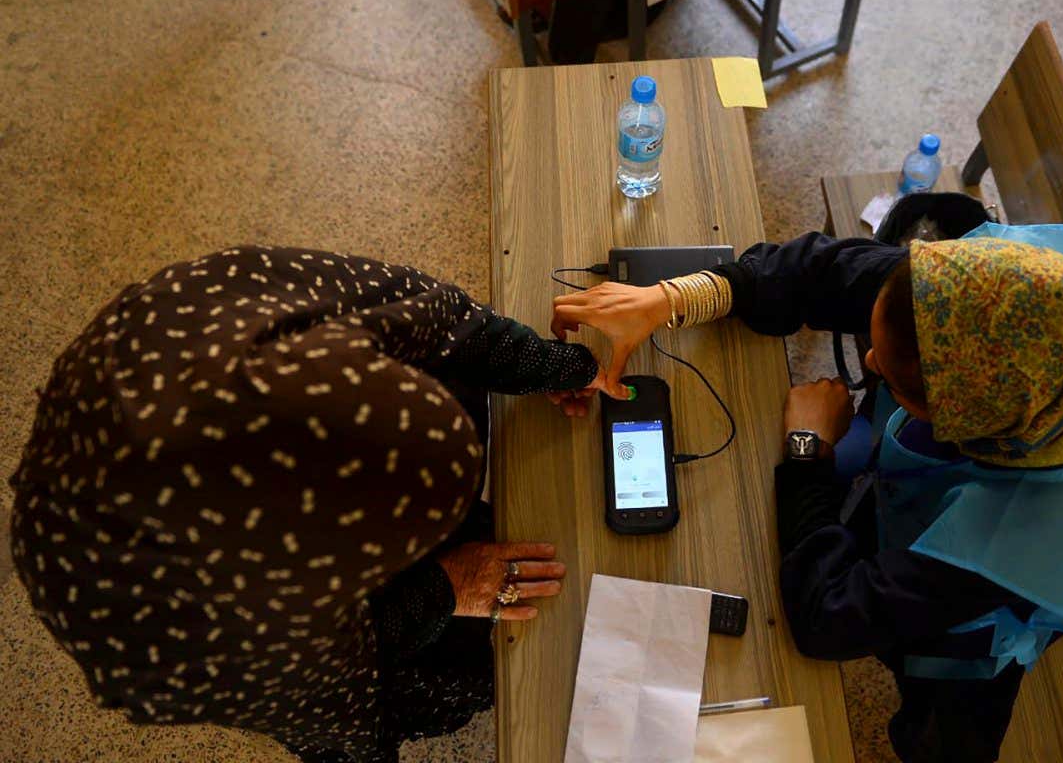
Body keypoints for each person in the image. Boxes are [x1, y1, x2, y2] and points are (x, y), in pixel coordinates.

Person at [551, 226, 1063, 762]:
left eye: (891, 378)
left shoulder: (1014, 543)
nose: (867, 359)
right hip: (940, 499)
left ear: (956, 422)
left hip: (985, 611)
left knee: (950, 719)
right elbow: (821, 271)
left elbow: (828, 621)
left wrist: (805, 451)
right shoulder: (985, 292)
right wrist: (673, 296)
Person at [8, 246, 616, 763]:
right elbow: (347, 725)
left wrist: (552, 365)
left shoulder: (226, 305)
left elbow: (435, 317)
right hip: (142, 590)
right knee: (451, 681)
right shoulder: (222, 635)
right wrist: (445, 588)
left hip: (169, 410)